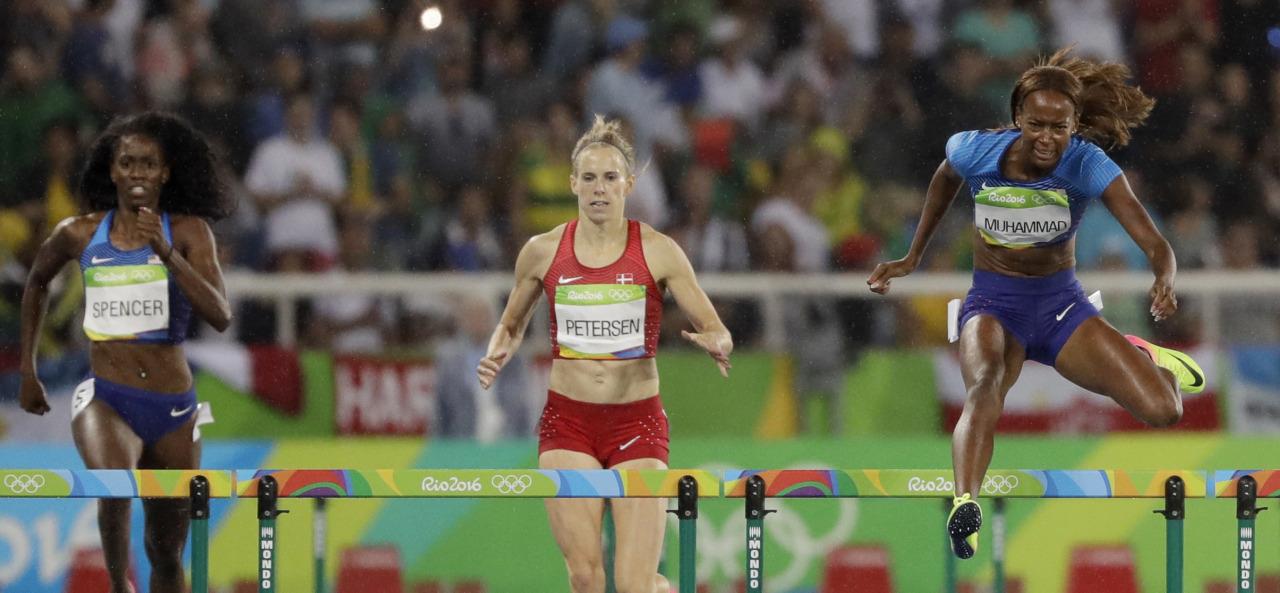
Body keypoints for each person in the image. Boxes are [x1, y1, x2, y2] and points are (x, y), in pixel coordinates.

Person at [867, 48, 1205, 560]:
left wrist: (1164, 276)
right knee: (983, 386)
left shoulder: (1087, 162)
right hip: (992, 305)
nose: (1048, 138)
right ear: (1017, 118)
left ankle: (1143, 351)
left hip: (1061, 310)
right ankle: (966, 503)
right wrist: (913, 255)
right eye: (1037, 125)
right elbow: (943, 183)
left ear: (1075, 124)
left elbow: (1155, 241)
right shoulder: (974, 151)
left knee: (1165, 410)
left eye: (1060, 127)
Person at [476, 115, 732, 593]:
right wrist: (496, 353)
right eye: (589, 178)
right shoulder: (541, 251)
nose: (599, 188)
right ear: (573, 183)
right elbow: (510, 325)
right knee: (586, 579)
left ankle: (657, 586)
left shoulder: (659, 251)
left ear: (629, 184)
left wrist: (719, 341)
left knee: (634, 586)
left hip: (636, 423)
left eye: (610, 178)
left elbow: (715, 326)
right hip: (567, 425)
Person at [19, 112, 234, 593]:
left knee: (166, 553)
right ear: (113, 171)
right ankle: (120, 587)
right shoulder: (79, 233)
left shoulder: (189, 232)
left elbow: (220, 314)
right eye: (128, 162)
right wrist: (28, 369)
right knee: (114, 486)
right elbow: (35, 283)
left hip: (174, 407)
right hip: (106, 396)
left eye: (148, 163)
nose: (137, 172)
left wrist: (166, 252)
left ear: (165, 173)